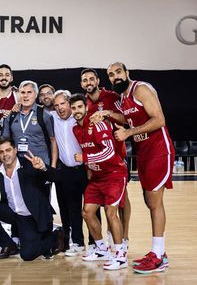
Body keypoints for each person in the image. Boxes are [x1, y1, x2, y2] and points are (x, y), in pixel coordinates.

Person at [106, 62, 173, 274]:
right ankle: (158, 251)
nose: (115, 77)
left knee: (154, 201)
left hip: (158, 150)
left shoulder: (140, 88)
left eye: (118, 72)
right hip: (143, 153)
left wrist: (128, 133)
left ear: (127, 73)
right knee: (149, 200)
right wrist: (108, 113)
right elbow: (127, 119)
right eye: (110, 75)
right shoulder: (123, 98)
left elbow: (159, 119)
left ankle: (159, 255)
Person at [0, 137, 64, 261]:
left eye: (8, 150)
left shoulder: (29, 165)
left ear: (15, 150)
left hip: (33, 217)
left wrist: (43, 168)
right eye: (1, 152)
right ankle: (9, 245)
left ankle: (56, 236)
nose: (5, 154)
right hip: (14, 215)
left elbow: (57, 177)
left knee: (27, 255)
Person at [70, 93, 128, 271]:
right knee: (87, 212)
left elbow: (109, 151)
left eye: (80, 107)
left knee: (111, 213)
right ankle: (102, 249)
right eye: (74, 108)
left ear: (86, 108)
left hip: (114, 174)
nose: (77, 111)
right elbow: (91, 150)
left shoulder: (97, 123)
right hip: (96, 177)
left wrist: (85, 158)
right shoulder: (75, 129)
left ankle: (120, 255)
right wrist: (89, 168)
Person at [81, 68, 131, 255]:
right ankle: (105, 242)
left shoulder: (111, 97)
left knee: (122, 200)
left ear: (97, 80)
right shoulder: (83, 103)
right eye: (85, 80)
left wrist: (108, 113)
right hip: (96, 161)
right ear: (81, 84)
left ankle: (124, 238)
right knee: (101, 203)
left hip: (116, 157)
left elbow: (126, 119)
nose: (88, 82)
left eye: (91, 79)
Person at [51, 90, 87, 256]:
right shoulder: (52, 118)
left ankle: (97, 243)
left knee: (90, 208)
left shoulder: (80, 118)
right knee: (72, 209)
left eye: (63, 104)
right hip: (66, 170)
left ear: (69, 104)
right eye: (56, 105)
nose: (60, 108)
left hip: (86, 169)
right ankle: (77, 243)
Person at [2, 81, 58, 167]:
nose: (25, 95)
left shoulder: (44, 115)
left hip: (42, 164)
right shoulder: (11, 115)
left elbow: (53, 141)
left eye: (29, 92)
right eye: (23, 92)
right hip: (19, 165)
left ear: (36, 95)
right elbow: (5, 142)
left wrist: (53, 166)